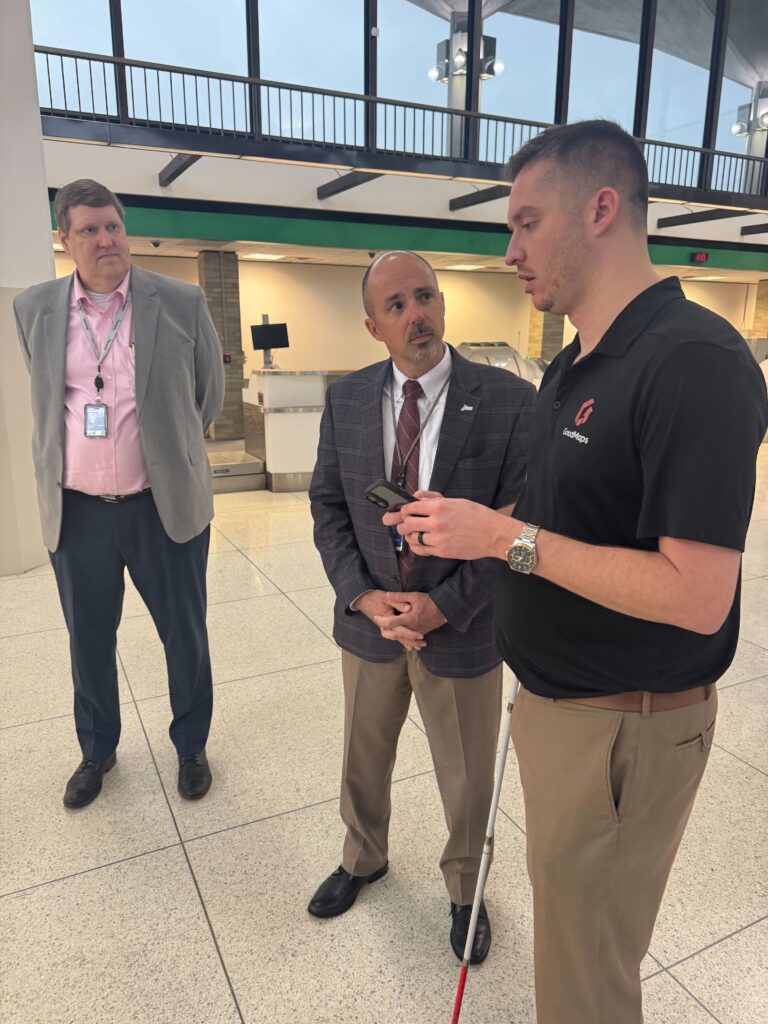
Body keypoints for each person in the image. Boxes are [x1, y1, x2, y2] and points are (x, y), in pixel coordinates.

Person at [388, 122, 768, 1023]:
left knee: (587, 981)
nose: (509, 249)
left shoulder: (695, 363)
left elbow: (695, 592)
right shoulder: (576, 364)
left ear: (602, 209)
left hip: (624, 732)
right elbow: (560, 527)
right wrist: (468, 533)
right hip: (565, 716)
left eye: (526, 222)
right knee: (571, 949)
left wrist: (503, 541)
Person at [308, 250, 535, 963]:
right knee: (363, 755)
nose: (418, 315)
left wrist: (442, 607)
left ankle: (467, 888)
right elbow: (327, 507)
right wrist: (362, 595)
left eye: (426, 297)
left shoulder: (507, 401)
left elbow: (523, 527)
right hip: (372, 627)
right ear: (373, 325)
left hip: (463, 628)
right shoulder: (346, 399)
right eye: (398, 306)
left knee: (467, 773)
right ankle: (363, 856)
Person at [14, 179, 224, 809]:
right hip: (77, 513)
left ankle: (191, 744)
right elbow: (54, 400)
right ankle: (97, 749)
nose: (106, 240)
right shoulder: (34, 310)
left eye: (113, 226)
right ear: (64, 239)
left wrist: (165, 450)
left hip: (163, 508)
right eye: (89, 230)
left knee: (184, 633)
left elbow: (206, 395)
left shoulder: (180, 301)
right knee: (88, 637)